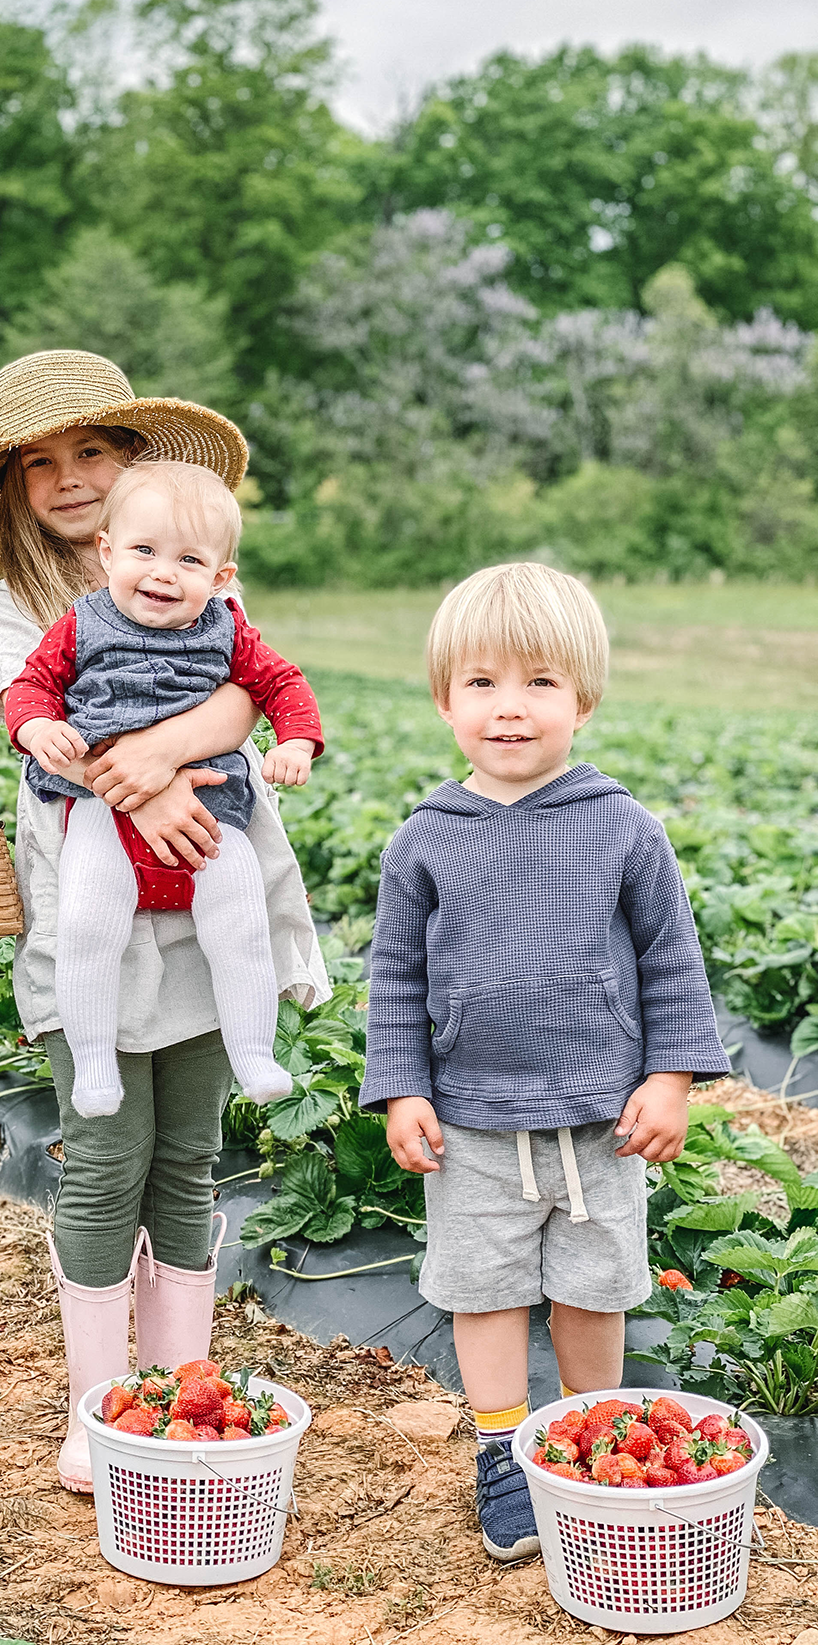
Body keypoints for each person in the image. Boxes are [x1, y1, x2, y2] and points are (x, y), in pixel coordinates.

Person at [0, 349, 329, 1491]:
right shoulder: (17, 609)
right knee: (103, 1158)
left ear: (136, 459)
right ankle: (99, 1410)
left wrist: (160, 749)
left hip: (203, 904)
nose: (70, 475)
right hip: (88, 907)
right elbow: (33, 727)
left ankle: (178, 1388)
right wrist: (142, 771)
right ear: (14, 494)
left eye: (92, 449)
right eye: (39, 464)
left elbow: (248, 688)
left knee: (186, 1156)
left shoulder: (191, 571)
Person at [360, 560, 730, 1562]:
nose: (509, 708)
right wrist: (400, 1087)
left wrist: (669, 1075)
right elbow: (392, 977)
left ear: (585, 698)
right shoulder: (424, 841)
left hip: (599, 1120)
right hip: (473, 1117)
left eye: (538, 683)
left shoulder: (621, 825)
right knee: (482, 1287)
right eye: (481, 683)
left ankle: (587, 1436)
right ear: (444, 700)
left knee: (593, 1285)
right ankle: (501, 1449)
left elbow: (670, 958)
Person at [5, 458, 323, 1118]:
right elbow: (33, 685)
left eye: (187, 560)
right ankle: (93, 1061)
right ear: (108, 550)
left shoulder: (228, 627)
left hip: (210, 807)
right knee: (88, 921)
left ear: (220, 576)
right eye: (144, 551)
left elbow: (280, 684)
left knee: (239, 919)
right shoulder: (79, 622)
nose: (162, 572)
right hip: (99, 804)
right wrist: (36, 727)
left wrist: (294, 740)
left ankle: (255, 1053)